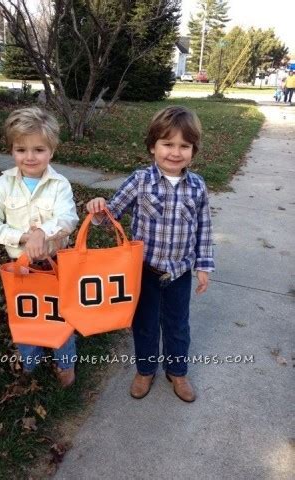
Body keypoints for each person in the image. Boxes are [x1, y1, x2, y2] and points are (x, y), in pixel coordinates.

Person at [86, 106, 214, 402]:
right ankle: (145, 370)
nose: (175, 152)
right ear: (153, 146)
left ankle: (177, 371)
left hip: (179, 273)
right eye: (168, 144)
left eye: (184, 146)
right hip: (143, 271)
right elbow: (112, 213)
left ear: (193, 150)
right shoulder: (140, 181)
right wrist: (98, 208)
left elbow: (204, 228)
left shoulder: (197, 187)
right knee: (144, 324)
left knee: (177, 325)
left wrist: (203, 267)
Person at [0, 106, 79, 387]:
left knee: (60, 315)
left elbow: (68, 218)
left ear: (52, 151)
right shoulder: (3, 185)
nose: (30, 157)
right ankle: (30, 361)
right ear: (12, 150)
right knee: (24, 314)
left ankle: (65, 363)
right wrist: (25, 237)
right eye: (21, 149)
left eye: (39, 149)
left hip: (54, 264)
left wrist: (43, 234)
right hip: (20, 268)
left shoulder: (60, 185)